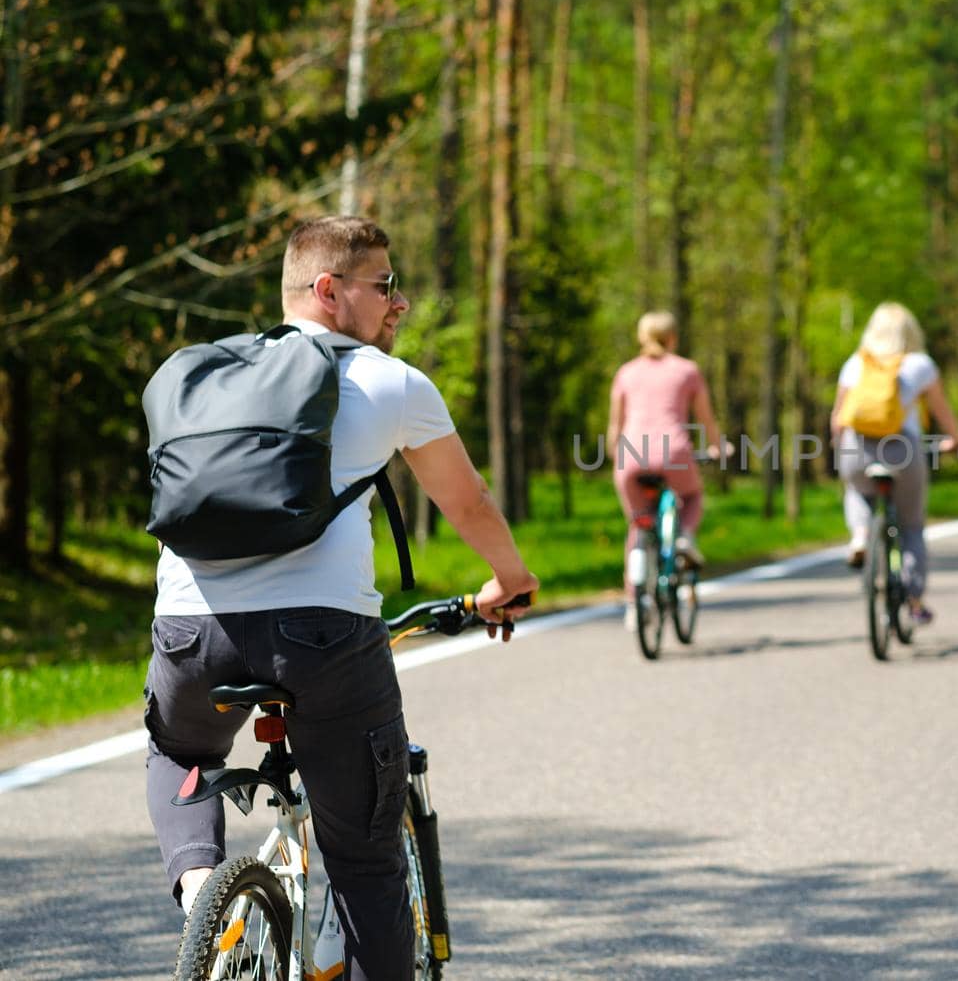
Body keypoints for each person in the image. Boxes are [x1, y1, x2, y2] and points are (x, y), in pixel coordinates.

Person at [144, 216, 538, 981]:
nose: (402, 305)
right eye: (386, 286)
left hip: (189, 632)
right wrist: (510, 580)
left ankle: (203, 892)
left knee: (179, 745)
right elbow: (470, 503)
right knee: (363, 864)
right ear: (329, 290)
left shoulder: (204, 374)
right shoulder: (391, 382)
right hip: (322, 638)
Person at [829, 301, 958, 626]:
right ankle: (915, 600)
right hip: (903, 450)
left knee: (857, 492)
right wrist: (955, 440)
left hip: (856, 448)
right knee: (911, 524)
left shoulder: (855, 363)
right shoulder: (920, 364)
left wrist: (839, 450)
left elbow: (837, 419)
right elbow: (941, 411)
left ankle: (860, 535)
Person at [607, 311, 724, 630]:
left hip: (630, 455)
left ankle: (634, 603)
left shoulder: (626, 372)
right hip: (674, 451)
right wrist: (718, 447)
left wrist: (613, 454)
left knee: (638, 522)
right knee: (693, 496)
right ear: (672, 338)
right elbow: (706, 419)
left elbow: (615, 425)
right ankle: (684, 537)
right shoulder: (687, 370)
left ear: (641, 338)